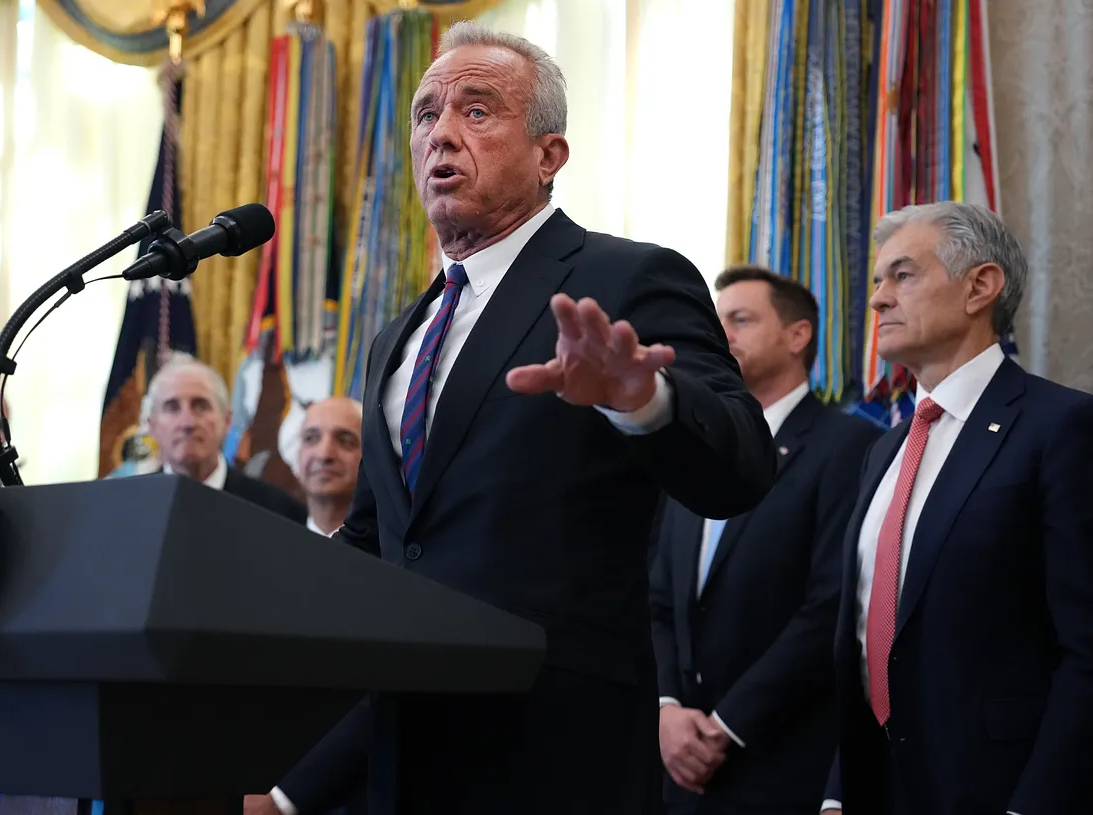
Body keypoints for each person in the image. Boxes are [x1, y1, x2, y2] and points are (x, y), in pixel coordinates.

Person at [250, 21, 775, 815]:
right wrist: (251, 582)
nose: (442, 134)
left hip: (555, 744)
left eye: (478, 110)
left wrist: (643, 400)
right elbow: (379, 536)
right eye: (426, 114)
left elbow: (742, 464)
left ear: (549, 155)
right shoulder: (401, 334)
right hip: (405, 745)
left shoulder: (627, 277)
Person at [821, 201, 1093, 814]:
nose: (878, 299)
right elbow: (868, 635)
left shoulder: (1061, 428)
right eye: (876, 281)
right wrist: (839, 790)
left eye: (903, 275)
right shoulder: (883, 450)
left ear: (980, 286)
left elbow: (1085, 648)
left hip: (1001, 791)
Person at [650, 268, 880, 815]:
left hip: (781, 762)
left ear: (798, 335)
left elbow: (830, 606)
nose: (722, 334)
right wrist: (666, 707)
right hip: (676, 765)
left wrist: (727, 727)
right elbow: (657, 594)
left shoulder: (851, 446)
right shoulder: (690, 445)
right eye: (716, 321)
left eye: (741, 319)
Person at [144, 353, 307, 524]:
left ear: (227, 420)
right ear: (152, 426)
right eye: (172, 407)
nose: (187, 423)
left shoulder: (277, 511)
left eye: (201, 406)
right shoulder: (125, 506)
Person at [295, 397, 363, 537]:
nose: (324, 454)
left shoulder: (391, 555)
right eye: (311, 438)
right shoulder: (272, 549)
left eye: (345, 441)